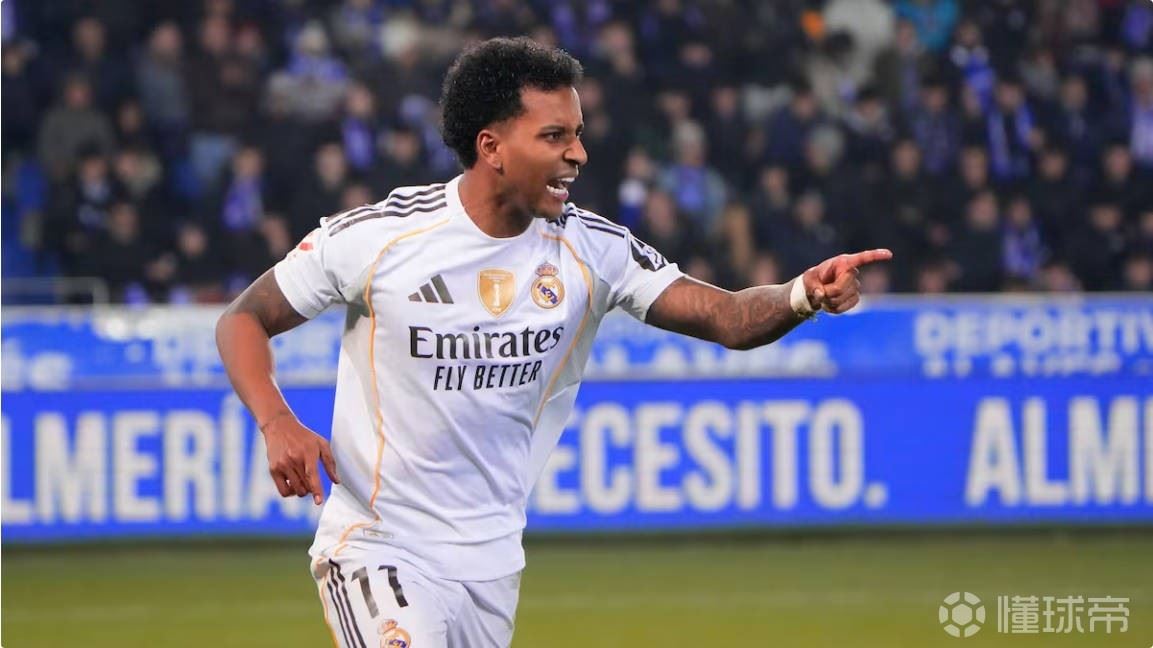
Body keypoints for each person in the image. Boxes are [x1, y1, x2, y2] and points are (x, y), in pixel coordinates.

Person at [216, 37, 891, 648]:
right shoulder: (380, 238)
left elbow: (727, 317)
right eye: (554, 136)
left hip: (491, 559)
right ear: (491, 147)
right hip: (377, 543)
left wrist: (802, 294)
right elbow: (242, 320)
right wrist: (277, 421)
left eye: (578, 133)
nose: (578, 154)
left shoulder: (593, 250)